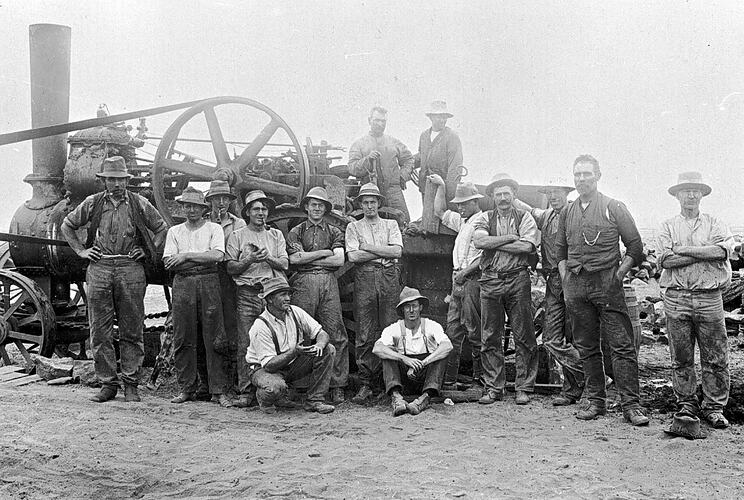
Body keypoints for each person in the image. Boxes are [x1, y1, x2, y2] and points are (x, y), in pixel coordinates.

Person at [61, 156, 168, 403]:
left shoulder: (139, 203)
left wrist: (148, 250)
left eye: (120, 179)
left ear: (127, 180)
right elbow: (68, 225)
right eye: (111, 179)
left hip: (130, 268)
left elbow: (161, 227)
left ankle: (131, 385)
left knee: (132, 328)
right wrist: (81, 251)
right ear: (104, 181)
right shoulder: (93, 202)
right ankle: (107, 385)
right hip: (99, 268)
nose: (117, 184)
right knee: (100, 330)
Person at [555, 154, 649, 426]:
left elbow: (635, 247)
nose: (582, 179)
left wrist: (617, 276)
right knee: (586, 346)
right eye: (577, 174)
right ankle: (596, 401)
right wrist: (566, 279)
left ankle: (631, 405)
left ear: (597, 176)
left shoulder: (613, 206)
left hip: (607, 284)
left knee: (621, 346)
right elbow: (560, 250)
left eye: (587, 174)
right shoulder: (567, 212)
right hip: (577, 286)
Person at [656, 171, 734, 429]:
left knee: (716, 356)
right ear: (677, 195)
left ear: (702, 194)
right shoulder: (667, 226)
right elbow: (666, 261)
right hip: (677, 297)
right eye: (685, 190)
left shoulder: (715, 223)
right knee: (681, 357)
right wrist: (703, 253)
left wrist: (684, 250)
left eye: (695, 190)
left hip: (710, 297)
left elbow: (721, 252)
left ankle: (714, 407)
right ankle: (687, 404)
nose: (690, 195)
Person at [513, 177, 585, 406]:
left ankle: (572, 391)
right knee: (551, 339)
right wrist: (510, 195)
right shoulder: (547, 216)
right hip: (553, 283)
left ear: (566, 193)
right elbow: (528, 209)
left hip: (574, 280)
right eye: (550, 193)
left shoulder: (577, 214)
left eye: (557, 192)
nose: (553, 196)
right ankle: (590, 373)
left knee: (574, 337)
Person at [472, 173, 540, 405]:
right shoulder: (484, 217)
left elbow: (527, 246)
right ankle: (494, 388)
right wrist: (511, 238)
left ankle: (523, 388)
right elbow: (479, 242)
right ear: (492, 196)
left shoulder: (525, 217)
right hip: (490, 280)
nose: (503, 198)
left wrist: (496, 242)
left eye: (506, 194)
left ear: (514, 195)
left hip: (518, 279)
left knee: (524, 334)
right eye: (498, 194)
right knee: (490, 335)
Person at [163, 187, 232, 407]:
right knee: (183, 336)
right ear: (182, 208)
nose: (191, 210)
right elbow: (168, 262)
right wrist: (200, 258)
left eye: (195, 206)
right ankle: (187, 388)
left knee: (215, 336)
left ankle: (218, 390)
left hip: (209, 282)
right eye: (187, 206)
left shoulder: (214, 228)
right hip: (183, 284)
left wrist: (185, 256)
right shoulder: (174, 231)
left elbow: (217, 255)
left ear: (204, 209)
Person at [226, 190, 289, 408]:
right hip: (247, 294)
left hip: (272, 295)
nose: (261, 213)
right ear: (247, 212)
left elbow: (285, 264)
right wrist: (249, 260)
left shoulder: (275, 235)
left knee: (278, 341)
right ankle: (246, 391)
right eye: (256, 209)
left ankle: (276, 389)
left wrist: (269, 258)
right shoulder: (237, 236)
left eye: (264, 209)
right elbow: (230, 267)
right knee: (246, 342)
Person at [286, 186, 349, 404]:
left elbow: (339, 260)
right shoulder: (296, 231)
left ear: (325, 209)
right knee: (302, 333)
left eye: (321, 205)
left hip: (328, 282)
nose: (317, 208)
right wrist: (324, 253)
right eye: (313, 204)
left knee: (335, 331)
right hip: (303, 283)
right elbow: (294, 259)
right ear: (306, 207)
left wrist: (308, 258)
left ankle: (337, 384)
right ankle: (300, 383)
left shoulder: (335, 231)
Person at [345, 183, 403, 403]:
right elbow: (353, 257)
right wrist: (383, 251)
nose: (369, 206)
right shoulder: (353, 227)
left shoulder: (391, 224)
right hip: (365, 277)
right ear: (360, 204)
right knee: (365, 331)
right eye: (365, 202)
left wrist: (367, 247)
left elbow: (396, 251)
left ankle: (391, 384)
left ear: (379, 203)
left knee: (390, 328)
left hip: (388, 277)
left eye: (373, 202)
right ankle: (366, 384)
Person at [245, 276, 336, 414]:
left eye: (288, 294)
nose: (288, 298)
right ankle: (265, 399)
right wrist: (294, 352)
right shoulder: (260, 326)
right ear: (270, 299)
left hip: (291, 365)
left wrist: (319, 344)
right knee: (274, 387)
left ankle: (314, 401)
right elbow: (269, 365)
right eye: (283, 295)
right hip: (263, 369)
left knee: (328, 349)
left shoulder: (295, 311)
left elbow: (321, 333)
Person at [429, 174, 484, 389]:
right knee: (453, 331)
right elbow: (439, 212)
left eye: (464, 203)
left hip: (472, 281)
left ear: (475, 202)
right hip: (458, 280)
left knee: (475, 330)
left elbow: (484, 257)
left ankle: (480, 379)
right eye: (458, 204)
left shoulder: (483, 221)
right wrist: (441, 187)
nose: (460, 208)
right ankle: (450, 378)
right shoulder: (464, 222)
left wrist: (465, 273)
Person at [373, 287, 452, 416]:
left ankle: (424, 399)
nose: (411, 310)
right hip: (404, 380)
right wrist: (404, 359)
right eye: (407, 307)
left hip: (426, 378)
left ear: (420, 307)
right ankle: (397, 398)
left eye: (414, 306)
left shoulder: (432, 326)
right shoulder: (394, 328)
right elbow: (377, 348)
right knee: (387, 354)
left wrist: (422, 363)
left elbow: (447, 346)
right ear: (402, 310)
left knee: (441, 355)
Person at [202, 179, 246, 401]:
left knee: (231, 328)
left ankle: (232, 381)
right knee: (208, 327)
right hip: (208, 275)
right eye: (216, 198)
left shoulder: (238, 224)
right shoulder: (202, 222)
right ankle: (208, 384)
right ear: (209, 201)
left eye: (225, 199)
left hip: (229, 277)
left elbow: (239, 249)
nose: (221, 202)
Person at [348, 106, 415, 224]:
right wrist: (368, 160)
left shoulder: (394, 142)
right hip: (369, 193)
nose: (380, 124)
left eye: (383, 121)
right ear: (369, 120)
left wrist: (402, 176)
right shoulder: (359, 144)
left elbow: (409, 159)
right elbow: (352, 168)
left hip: (393, 192)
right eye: (376, 120)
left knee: (403, 222)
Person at [416, 100, 463, 203]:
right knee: (427, 212)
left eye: (444, 117)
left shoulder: (452, 137)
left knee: (441, 212)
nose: (443, 120)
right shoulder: (424, 136)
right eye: (439, 117)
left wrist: (449, 193)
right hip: (425, 188)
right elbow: (421, 156)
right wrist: (407, 164)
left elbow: (455, 167)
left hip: (442, 189)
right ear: (431, 117)